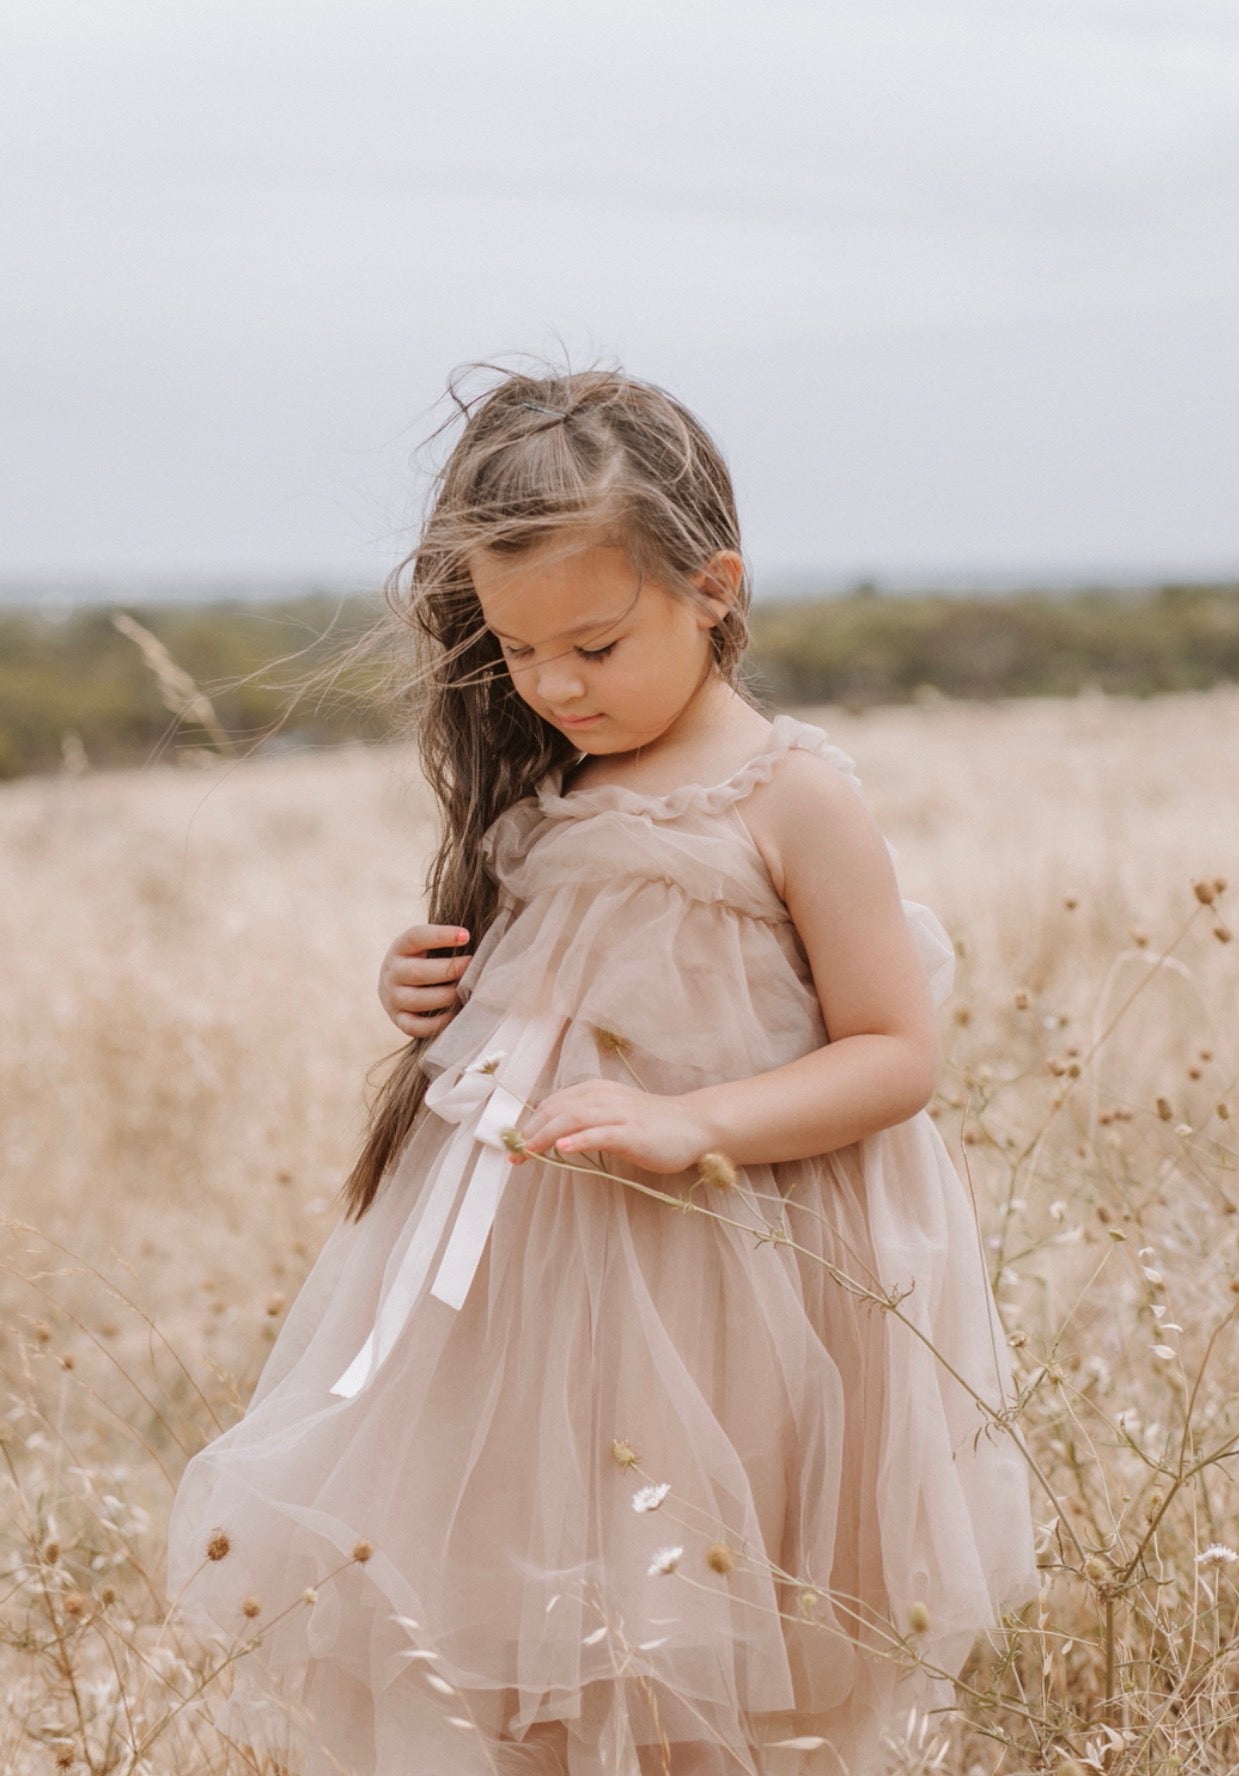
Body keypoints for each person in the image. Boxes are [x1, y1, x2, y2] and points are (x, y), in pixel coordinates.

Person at [166, 363, 1039, 1776]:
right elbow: (545, 1009)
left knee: (704, 1628)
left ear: (713, 588)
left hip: (732, 1273)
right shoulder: (548, 787)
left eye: (594, 642)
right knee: (523, 1619)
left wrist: (689, 1119)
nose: (554, 685)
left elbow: (897, 1052)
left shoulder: (791, 794)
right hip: (535, 1290)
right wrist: (426, 994)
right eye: (515, 652)